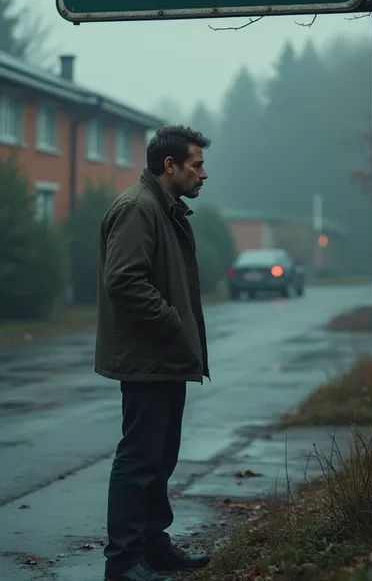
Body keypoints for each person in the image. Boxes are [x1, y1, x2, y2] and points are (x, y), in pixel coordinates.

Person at [96, 125, 212, 581]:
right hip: (148, 356)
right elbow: (123, 280)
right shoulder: (139, 209)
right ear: (170, 166)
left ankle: (153, 546)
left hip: (165, 356)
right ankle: (124, 561)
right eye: (196, 165)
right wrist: (171, 324)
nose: (204, 174)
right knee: (139, 459)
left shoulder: (164, 209)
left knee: (161, 457)